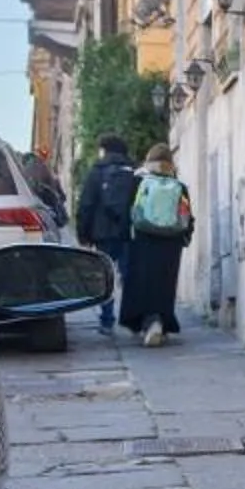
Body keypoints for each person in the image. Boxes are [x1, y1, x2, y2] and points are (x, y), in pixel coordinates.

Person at [119, 145, 194, 347]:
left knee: (141, 283)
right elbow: (187, 218)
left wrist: (124, 239)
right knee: (164, 285)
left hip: (142, 241)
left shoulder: (137, 182)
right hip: (171, 244)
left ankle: (148, 322)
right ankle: (160, 320)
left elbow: (127, 213)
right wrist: (185, 238)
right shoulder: (179, 186)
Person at [73, 136, 139, 338]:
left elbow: (86, 205)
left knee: (105, 277)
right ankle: (133, 319)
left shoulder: (97, 172)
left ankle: (107, 321)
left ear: (104, 150)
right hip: (129, 232)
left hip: (102, 234)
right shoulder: (134, 172)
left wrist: (83, 234)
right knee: (130, 277)